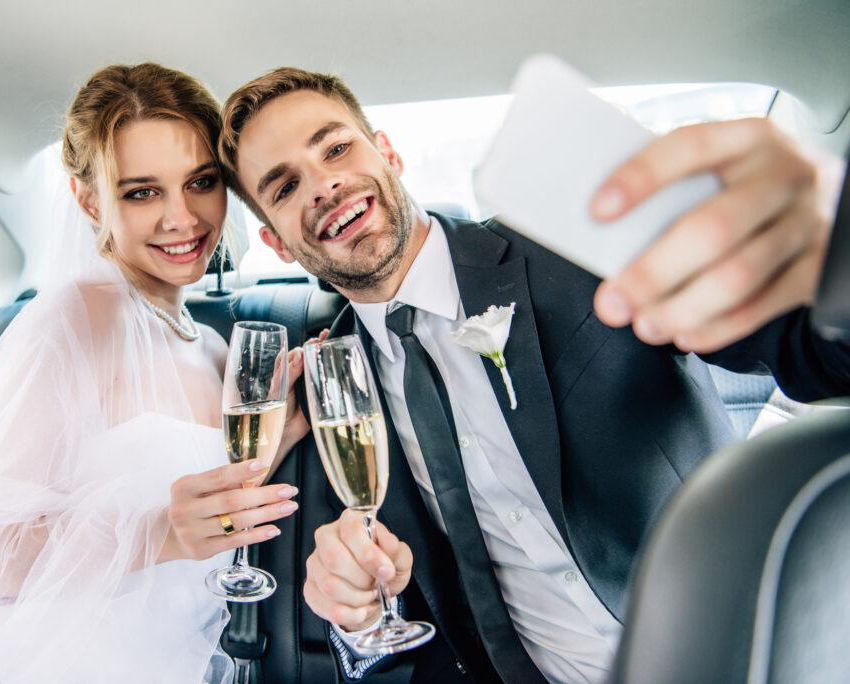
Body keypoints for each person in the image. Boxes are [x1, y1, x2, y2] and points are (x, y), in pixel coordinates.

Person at [217, 67, 850, 682]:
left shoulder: (573, 246)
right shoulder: (329, 392)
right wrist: (353, 620)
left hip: (747, 645)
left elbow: (816, 358)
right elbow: (397, 630)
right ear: (274, 241)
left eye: (335, 148)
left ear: (387, 154)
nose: (323, 186)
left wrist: (825, 251)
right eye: (284, 187)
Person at [0, 63, 307, 684]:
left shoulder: (212, 346)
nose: (181, 218)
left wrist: (280, 436)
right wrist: (156, 533)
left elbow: (203, 501)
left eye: (200, 182)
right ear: (89, 199)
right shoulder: (79, 318)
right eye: (141, 192)